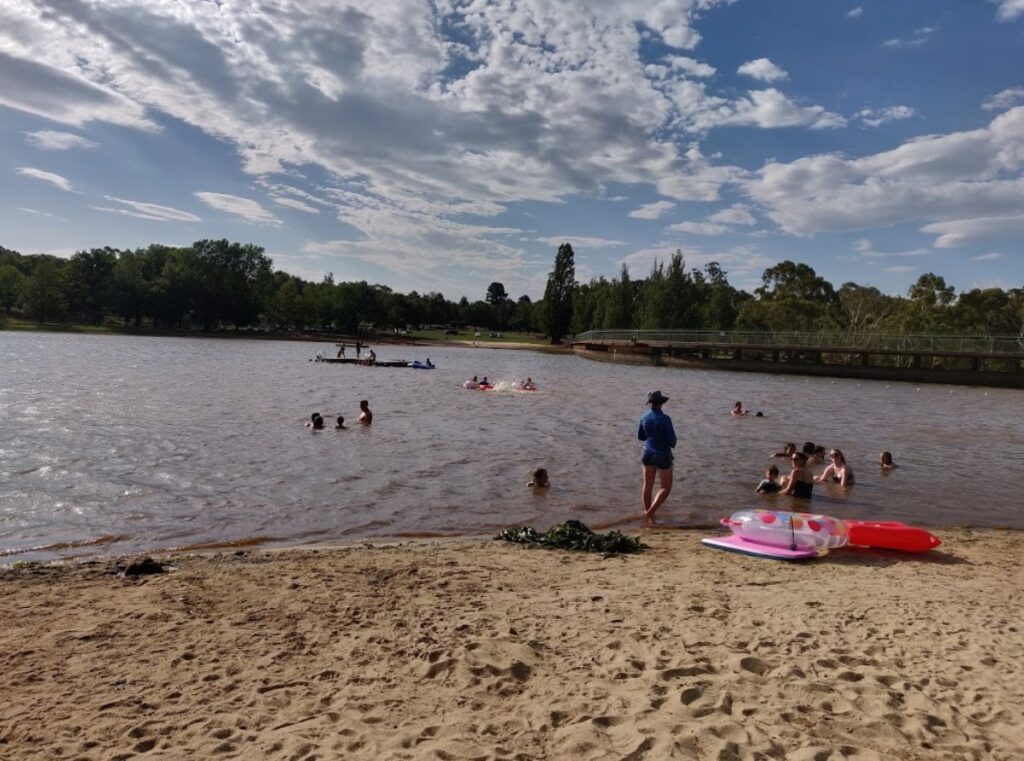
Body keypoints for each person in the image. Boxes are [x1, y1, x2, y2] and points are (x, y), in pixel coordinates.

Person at [638, 390, 677, 518]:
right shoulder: (665, 419)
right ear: (661, 403)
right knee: (665, 488)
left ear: (650, 403)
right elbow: (672, 441)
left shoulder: (644, 417)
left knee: (647, 484)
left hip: (646, 452)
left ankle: (648, 513)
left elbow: (640, 436)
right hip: (662, 454)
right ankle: (650, 513)